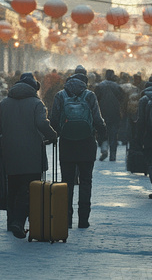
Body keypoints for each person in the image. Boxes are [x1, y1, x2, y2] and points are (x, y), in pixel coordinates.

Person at [0, 72, 57, 238]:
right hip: (32, 153)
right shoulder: (36, 103)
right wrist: (52, 135)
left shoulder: (4, 103)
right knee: (29, 189)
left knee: (12, 188)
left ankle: (11, 221)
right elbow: (42, 123)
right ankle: (18, 222)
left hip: (9, 153)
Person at [50, 65, 106, 229]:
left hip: (67, 143)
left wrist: (56, 134)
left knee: (66, 181)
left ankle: (66, 219)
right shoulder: (90, 96)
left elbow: (54, 120)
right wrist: (103, 133)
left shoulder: (60, 95)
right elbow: (97, 119)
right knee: (86, 181)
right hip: (87, 143)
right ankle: (83, 220)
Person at [94, 69, 127, 161]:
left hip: (102, 113)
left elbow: (95, 100)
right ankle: (113, 154)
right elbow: (123, 100)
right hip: (115, 114)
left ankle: (104, 150)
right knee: (113, 135)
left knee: (103, 133)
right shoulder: (117, 87)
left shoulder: (99, 86)